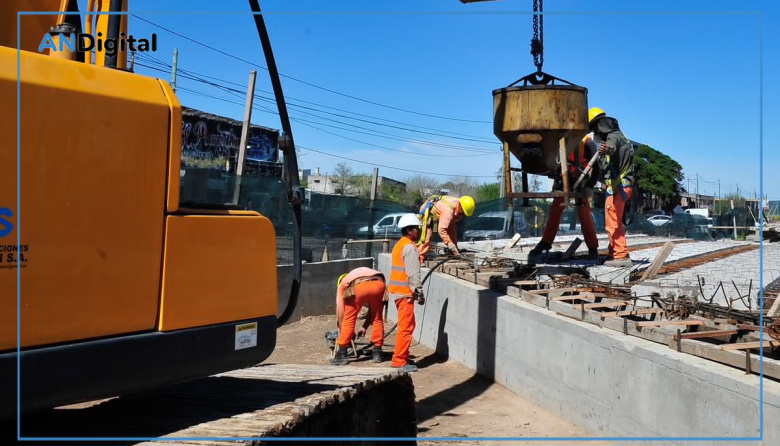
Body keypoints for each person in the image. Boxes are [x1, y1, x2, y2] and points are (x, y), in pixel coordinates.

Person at [528, 131, 601, 261]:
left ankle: (592, 248)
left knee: (584, 212)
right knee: (555, 210)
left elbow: (597, 168)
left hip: (581, 178)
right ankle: (545, 243)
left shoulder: (587, 142)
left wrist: (590, 186)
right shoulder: (557, 140)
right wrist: (556, 184)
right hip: (563, 178)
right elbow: (554, 164)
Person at [590, 107, 635, 267]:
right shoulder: (622, 136)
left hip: (618, 187)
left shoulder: (612, 137)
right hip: (624, 186)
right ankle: (613, 252)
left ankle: (620, 255)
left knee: (612, 222)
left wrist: (606, 149)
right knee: (615, 221)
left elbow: (611, 147)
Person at [388, 213, 427, 372]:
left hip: (399, 292)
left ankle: (402, 356)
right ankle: (399, 361)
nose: (419, 232)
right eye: (417, 229)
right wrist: (419, 293)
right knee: (407, 326)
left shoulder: (400, 244)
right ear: (410, 230)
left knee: (407, 325)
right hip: (405, 293)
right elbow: (413, 274)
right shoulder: (410, 248)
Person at [331, 267, 387, 366]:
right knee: (377, 317)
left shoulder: (343, 285)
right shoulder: (357, 273)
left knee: (349, 319)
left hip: (359, 286)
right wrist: (364, 327)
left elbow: (341, 314)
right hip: (379, 284)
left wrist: (342, 332)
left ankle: (342, 354)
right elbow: (372, 314)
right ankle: (377, 353)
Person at [417, 195, 475, 263]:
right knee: (426, 238)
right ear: (460, 207)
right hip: (428, 212)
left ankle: (453, 252)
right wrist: (450, 244)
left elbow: (451, 230)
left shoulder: (459, 205)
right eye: (462, 212)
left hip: (444, 212)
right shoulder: (448, 210)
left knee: (452, 232)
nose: (462, 215)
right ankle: (419, 258)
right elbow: (441, 230)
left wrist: (453, 246)